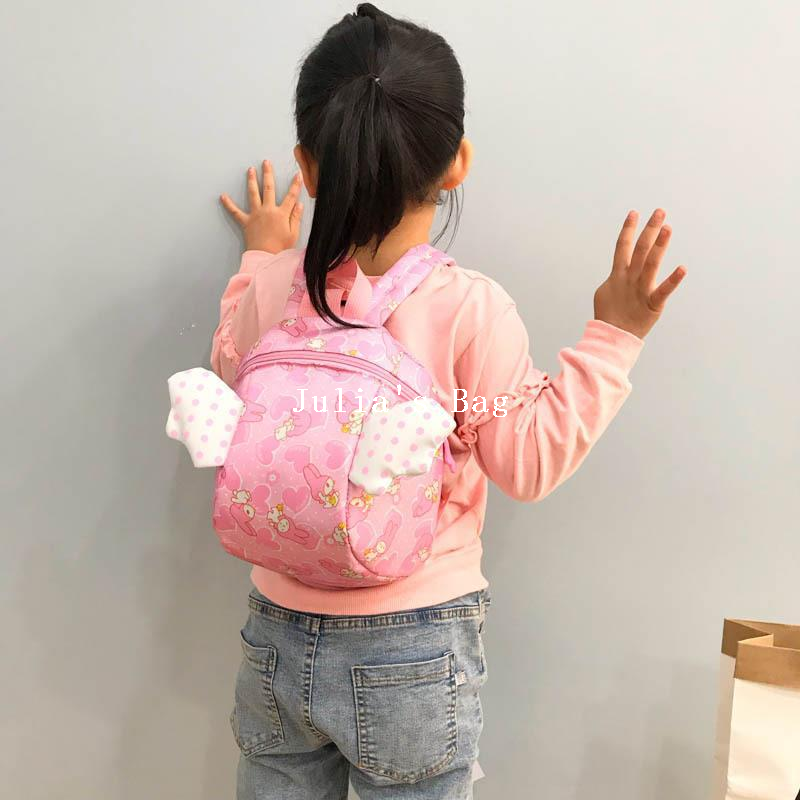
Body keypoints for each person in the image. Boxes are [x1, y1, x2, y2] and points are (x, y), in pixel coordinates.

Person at [212, 4, 686, 798]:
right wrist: (615, 335)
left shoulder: (273, 288)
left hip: (276, 634)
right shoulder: (469, 309)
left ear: (307, 168)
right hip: (413, 641)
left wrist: (261, 253)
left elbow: (232, 365)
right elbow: (528, 461)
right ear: (457, 161)